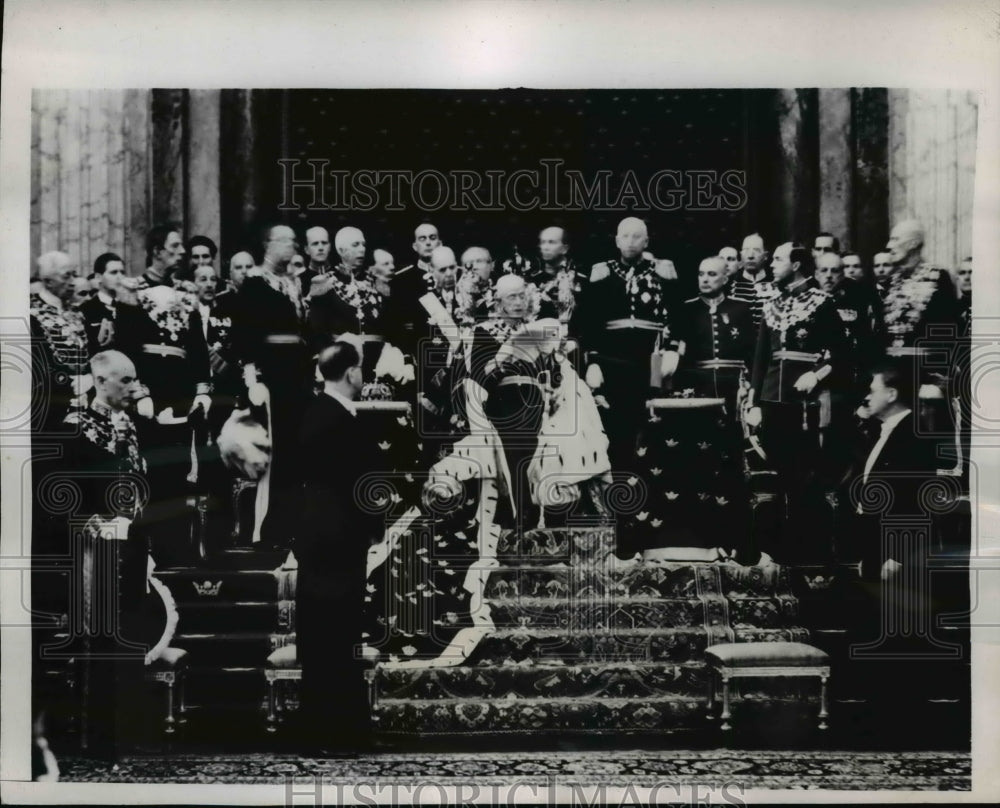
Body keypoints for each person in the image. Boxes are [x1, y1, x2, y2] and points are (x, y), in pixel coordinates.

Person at [60, 350, 150, 762]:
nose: (134, 388)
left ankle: (129, 730)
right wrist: (97, 525)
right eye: (125, 380)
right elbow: (67, 494)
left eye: (134, 380)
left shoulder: (127, 423)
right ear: (100, 381)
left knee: (129, 629)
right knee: (101, 635)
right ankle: (99, 738)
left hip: (130, 541)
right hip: (95, 546)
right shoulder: (76, 427)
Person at [636, 257, 755, 553]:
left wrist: (751, 388)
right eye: (701, 274)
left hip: (732, 388)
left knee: (734, 462)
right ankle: (697, 534)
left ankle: (733, 538)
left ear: (726, 278)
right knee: (701, 463)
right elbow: (668, 353)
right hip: (697, 391)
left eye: (712, 274)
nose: (705, 279)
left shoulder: (741, 309)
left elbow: (754, 353)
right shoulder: (686, 309)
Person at [296, 341, 379, 756]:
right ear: (350, 373)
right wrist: (373, 525)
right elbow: (356, 485)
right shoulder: (336, 419)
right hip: (336, 539)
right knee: (333, 634)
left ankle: (324, 729)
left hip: (322, 536)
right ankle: (335, 732)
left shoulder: (317, 414)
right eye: (361, 370)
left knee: (327, 634)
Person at [747, 242, 846, 563]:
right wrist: (756, 403)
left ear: (798, 265)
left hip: (806, 404)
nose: (771, 264)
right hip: (772, 401)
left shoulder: (822, 303)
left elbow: (842, 353)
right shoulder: (771, 305)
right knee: (776, 477)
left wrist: (817, 375)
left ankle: (808, 550)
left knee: (804, 478)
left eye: (778, 259)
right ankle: (775, 547)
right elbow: (760, 361)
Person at [579, 217, 680, 505]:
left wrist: (673, 349)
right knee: (616, 434)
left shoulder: (663, 273)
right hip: (612, 363)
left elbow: (675, 316)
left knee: (651, 431)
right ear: (617, 240)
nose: (632, 241)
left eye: (638, 237)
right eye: (626, 236)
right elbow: (589, 323)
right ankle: (617, 501)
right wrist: (592, 362)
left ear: (647, 242)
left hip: (651, 362)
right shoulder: (601, 274)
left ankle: (651, 505)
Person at [230, 224, 310, 549]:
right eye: (288, 241)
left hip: (298, 377)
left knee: (296, 452)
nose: (293, 246)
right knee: (274, 453)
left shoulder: (294, 283)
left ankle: (292, 522)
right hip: (272, 378)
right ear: (270, 244)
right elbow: (245, 335)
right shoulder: (253, 285)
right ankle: (267, 527)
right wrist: (253, 377)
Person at [30, 251, 90, 434]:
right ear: (48, 281)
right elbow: (37, 364)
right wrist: (67, 383)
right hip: (52, 401)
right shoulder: (31, 313)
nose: (73, 281)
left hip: (86, 396)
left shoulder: (78, 312)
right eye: (66, 276)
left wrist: (90, 378)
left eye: (74, 274)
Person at [306, 226, 382, 348]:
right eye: (355, 245)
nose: (362, 249)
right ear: (341, 250)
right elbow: (318, 330)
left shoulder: (375, 282)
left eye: (363, 245)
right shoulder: (324, 283)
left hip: (377, 354)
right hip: (342, 357)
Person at [78, 253, 146, 359]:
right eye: (113, 272)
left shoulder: (132, 307)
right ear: (98, 277)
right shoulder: (86, 309)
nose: (120, 277)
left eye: (122, 272)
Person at [524, 226, 588, 329]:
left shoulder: (580, 281)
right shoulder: (530, 281)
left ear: (565, 249)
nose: (545, 247)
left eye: (551, 242)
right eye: (543, 242)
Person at [729, 232, 775, 328]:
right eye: (746, 250)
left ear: (765, 256)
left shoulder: (776, 283)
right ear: (741, 254)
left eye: (756, 250)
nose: (750, 255)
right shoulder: (730, 284)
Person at [140, 223, 186, 289]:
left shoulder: (182, 288)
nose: (183, 251)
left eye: (181, 246)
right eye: (175, 246)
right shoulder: (137, 289)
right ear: (157, 252)